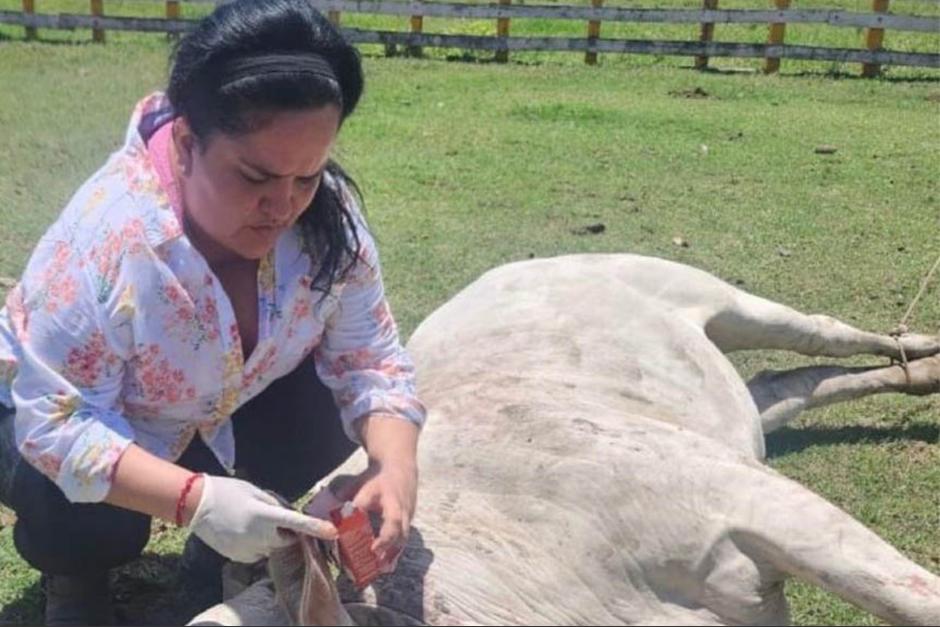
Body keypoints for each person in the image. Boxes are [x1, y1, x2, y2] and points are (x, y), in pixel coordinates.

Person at [0, 0, 426, 623]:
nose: (282, 208)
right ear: (185, 143)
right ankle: (77, 575)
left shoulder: (326, 219)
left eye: (307, 176)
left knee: (325, 417)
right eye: (255, 176)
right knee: (82, 512)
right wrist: (194, 499)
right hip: (60, 412)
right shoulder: (109, 239)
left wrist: (394, 469)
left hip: (215, 406)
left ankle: (220, 549)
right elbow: (58, 424)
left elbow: (372, 362)